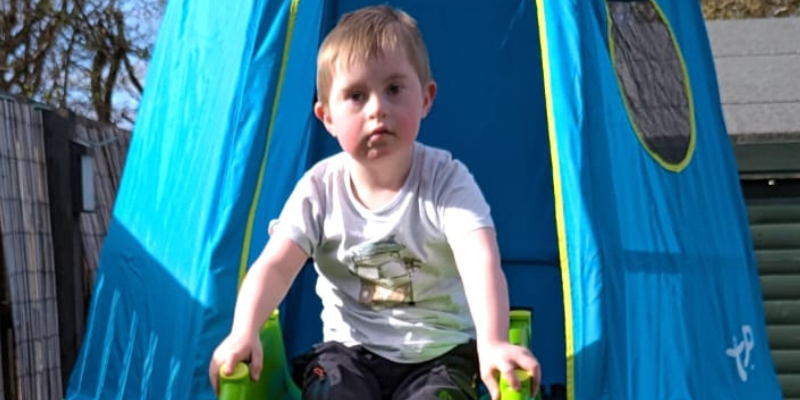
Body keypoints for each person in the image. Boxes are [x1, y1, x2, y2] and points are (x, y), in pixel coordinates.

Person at [209, 5, 540, 399]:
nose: (377, 108)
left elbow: (479, 261)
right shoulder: (319, 188)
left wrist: (493, 342)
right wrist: (244, 331)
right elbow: (274, 267)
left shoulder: (446, 180)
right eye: (356, 95)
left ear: (426, 98)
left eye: (394, 89)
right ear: (327, 116)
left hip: (439, 355)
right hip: (348, 354)